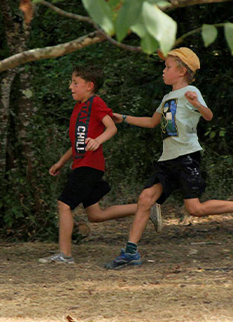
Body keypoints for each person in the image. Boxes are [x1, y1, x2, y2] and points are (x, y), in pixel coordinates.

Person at [104, 47, 233, 270]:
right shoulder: (167, 97)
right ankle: (131, 252)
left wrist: (197, 104)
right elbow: (152, 122)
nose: (163, 71)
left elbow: (208, 115)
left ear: (181, 71)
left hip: (186, 157)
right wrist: (122, 117)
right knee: (145, 199)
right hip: (167, 159)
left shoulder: (192, 91)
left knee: (194, 209)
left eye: (167, 67)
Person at [39, 66, 162, 264]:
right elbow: (77, 144)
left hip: (89, 166)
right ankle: (147, 207)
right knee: (95, 215)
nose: (71, 87)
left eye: (75, 83)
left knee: (64, 205)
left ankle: (65, 255)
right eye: (71, 83)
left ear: (89, 86)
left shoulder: (95, 103)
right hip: (81, 165)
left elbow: (111, 127)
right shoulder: (78, 108)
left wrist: (98, 140)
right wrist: (61, 162)